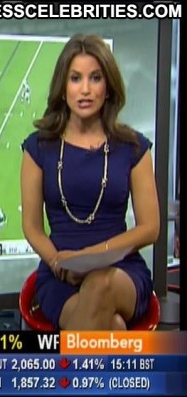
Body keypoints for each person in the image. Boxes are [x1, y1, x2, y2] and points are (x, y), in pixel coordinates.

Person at [20, 34, 160, 330]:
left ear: (108, 87)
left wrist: (91, 257)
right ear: (63, 87)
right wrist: (59, 263)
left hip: (120, 273)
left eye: (95, 78)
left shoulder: (134, 148)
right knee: (113, 327)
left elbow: (150, 228)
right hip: (61, 276)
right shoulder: (38, 148)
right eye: (75, 78)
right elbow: (32, 227)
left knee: (99, 285)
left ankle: (70, 363)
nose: (85, 89)